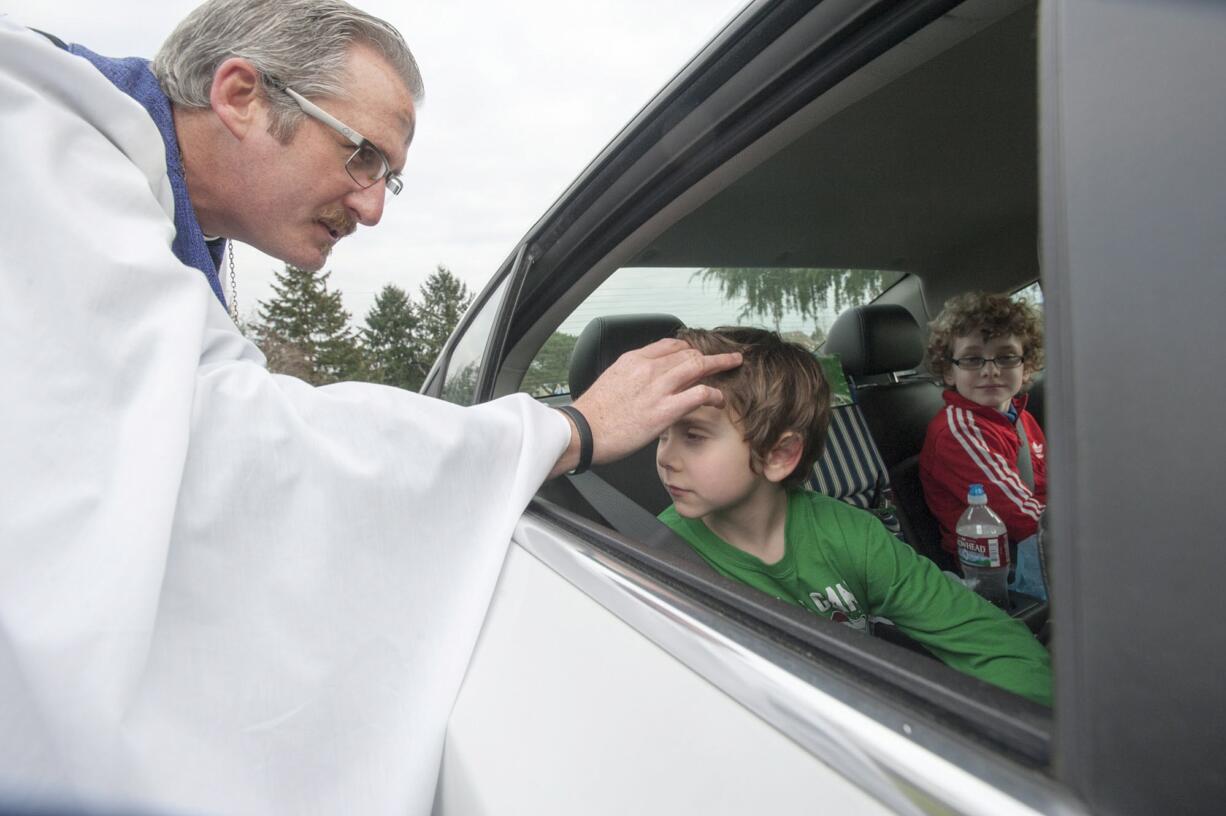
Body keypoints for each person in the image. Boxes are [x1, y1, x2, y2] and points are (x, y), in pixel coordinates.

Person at [0, 2, 739, 814]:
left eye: (388, 176)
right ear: (241, 95)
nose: (374, 207)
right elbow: (232, 445)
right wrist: (572, 428)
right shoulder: (35, 134)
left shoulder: (154, 229)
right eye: (361, 156)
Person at [656, 327, 1051, 705]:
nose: (664, 458)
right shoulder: (663, 553)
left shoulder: (851, 534)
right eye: (662, 433)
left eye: (693, 436)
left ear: (779, 455)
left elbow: (985, 637)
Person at [919, 292, 1048, 599]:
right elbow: (1022, 517)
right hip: (1001, 566)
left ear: (1026, 367)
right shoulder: (958, 431)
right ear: (950, 371)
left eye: (1006, 357)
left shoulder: (1020, 416)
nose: (990, 370)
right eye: (973, 359)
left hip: (1037, 541)